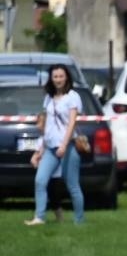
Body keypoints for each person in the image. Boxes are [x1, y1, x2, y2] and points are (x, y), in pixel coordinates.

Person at [27, 65, 86, 227]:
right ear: (51, 79)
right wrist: (40, 151)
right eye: (55, 77)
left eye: (61, 76)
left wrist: (64, 145)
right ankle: (39, 217)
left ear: (66, 77)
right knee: (40, 180)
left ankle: (79, 221)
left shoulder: (72, 96)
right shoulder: (49, 98)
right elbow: (48, 126)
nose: (58, 79)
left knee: (72, 185)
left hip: (68, 147)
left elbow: (72, 122)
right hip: (50, 148)